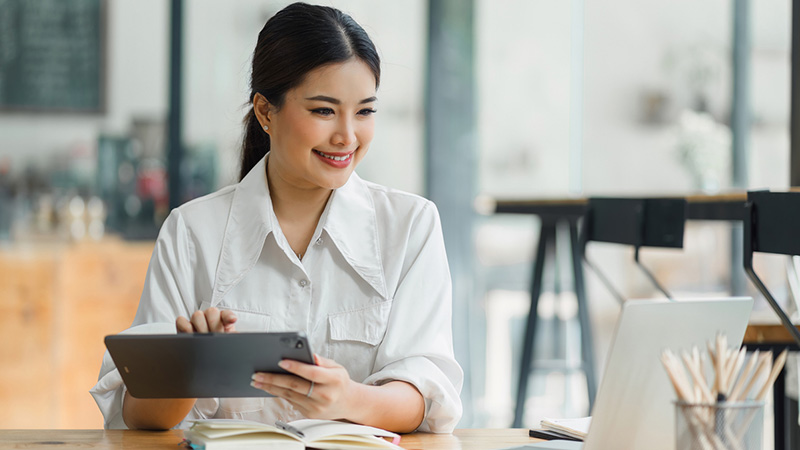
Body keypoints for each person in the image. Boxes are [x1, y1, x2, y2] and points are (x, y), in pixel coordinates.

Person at [90, 2, 463, 434]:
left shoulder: (410, 226)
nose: (347, 135)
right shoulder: (192, 232)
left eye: (364, 111)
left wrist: (348, 398)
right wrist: (190, 363)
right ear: (266, 112)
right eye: (324, 110)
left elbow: (428, 400)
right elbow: (138, 420)